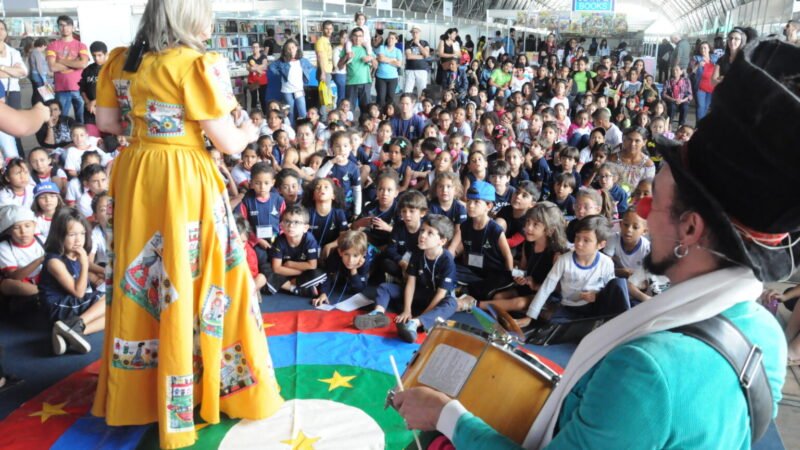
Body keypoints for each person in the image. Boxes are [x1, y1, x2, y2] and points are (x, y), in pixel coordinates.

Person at [394, 38, 795, 450]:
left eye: (652, 199)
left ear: (690, 230)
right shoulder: (765, 332)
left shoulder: (644, 369)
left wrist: (445, 414)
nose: (638, 207)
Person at [91, 1, 283, 447]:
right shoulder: (197, 64)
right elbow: (231, 142)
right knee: (208, 278)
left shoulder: (121, 60)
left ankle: (140, 394)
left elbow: (107, 124)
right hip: (183, 180)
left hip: (137, 174)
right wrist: (252, 132)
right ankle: (207, 388)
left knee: (143, 281)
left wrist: (148, 127)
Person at [355, 214, 457, 343]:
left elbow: (441, 294)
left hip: (434, 299)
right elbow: (411, 282)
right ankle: (378, 314)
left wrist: (422, 316)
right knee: (385, 288)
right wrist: (406, 310)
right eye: (422, 231)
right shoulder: (418, 253)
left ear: (442, 241)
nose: (423, 235)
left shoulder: (447, 260)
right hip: (417, 294)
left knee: (451, 303)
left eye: (430, 233)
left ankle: (414, 324)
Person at [46, 15, 89, 122]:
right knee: (61, 120)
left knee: (81, 120)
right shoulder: (52, 45)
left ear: (73, 27)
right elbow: (52, 67)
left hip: (79, 88)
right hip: (61, 89)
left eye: (68, 25)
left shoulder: (81, 45)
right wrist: (75, 62)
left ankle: (79, 139)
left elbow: (83, 64)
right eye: (61, 25)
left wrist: (60, 61)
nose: (65, 28)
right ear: (58, 27)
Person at [312, 230, 369, 307]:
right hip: (340, 266)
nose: (350, 260)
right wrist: (323, 293)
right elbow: (327, 274)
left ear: (363, 254)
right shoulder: (335, 256)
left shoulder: (364, 262)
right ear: (340, 252)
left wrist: (353, 270)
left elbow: (359, 288)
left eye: (355, 255)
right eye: (346, 254)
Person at [275, 39, 311, 126]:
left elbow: (309, 67)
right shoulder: (282, 61)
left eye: (293, 47)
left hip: (298, 89)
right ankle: (291, 129)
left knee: (302, 110)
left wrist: (305, 76)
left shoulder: (302, 60)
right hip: (287, 90)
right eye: (289, 48)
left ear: (297, 48)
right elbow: (272, 67)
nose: (291, 50)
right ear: (286, 50)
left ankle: (305, 127)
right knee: (290, 112)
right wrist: (280, 74)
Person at [339, 28, 376, 113]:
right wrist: (346, 57)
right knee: (348, 110)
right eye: (355, 36)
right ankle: (348, 125)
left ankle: (365, 126)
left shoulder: (367, 49)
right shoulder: (347, 49)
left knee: (366, 109)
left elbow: (376, 65)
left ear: (363, 37)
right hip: (351, 83)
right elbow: (339, 66)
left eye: (360, 36)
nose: (357, 38)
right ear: (352, 37)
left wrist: (370, 59)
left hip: (365, 82)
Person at [79, 41, 107, 137]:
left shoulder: (110, 69)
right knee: (92, 138)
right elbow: (82, 88)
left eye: (100, 55)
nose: (96, 58)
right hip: (90, 111)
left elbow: (112, 91)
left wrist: (94, 102)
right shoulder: (88, 70)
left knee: (108, 140)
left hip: (107, 110)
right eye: (94, 55)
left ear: (105, 54)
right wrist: (87, 102)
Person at [375, 32, 403, 107]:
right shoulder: (382, 47)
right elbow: (380, 58)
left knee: (390, 98)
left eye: (392, 38)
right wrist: (393, 60)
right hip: (381, 77)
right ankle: (380, 116)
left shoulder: (398, 51)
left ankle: (388, 116)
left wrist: (386, 59)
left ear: (396, 40)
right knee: (381, 98)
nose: (390, 40)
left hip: (393, 77)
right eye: (389, 38)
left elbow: (399, 64)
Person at [314, 20, 334, 114]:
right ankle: (324, 118)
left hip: (327, 71)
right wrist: (322, 72)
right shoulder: (321, 41)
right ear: (322, 29)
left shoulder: (327, 41)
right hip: (324, 72)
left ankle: (323, 116)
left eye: (330, 29)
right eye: (326, 29)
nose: (329, 31)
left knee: (325, 95)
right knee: (324, 97)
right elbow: (320, 57)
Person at [246, 42, 267, 113]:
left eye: (257, 47)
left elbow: (265, 66)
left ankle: (265, 114)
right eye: (253, 47)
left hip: (262, 80)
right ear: (252, 48)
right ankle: (253, 114)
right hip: (252, 80)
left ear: (260, 48)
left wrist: (254, 67)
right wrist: (259, 69)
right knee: (254, 98)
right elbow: (249, 68)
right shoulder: (249, 57)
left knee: (263, 98)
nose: (255, 49)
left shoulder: (263, 56)